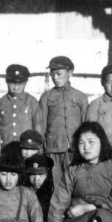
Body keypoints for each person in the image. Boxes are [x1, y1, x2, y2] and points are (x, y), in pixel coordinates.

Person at [38, 55, 88, 187]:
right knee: (55, 184)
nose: (55, 78)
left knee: (74, 183)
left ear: (70, 73)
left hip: (74, 150)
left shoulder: (80, 97)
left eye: (59, 74)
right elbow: (41, 125)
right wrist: (41, 151)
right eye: (52, 74)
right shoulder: (46, 97)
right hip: (52, 149)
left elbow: (85, 126)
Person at [0, 64, 43, 148]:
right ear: (6, 81)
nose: (16, 87)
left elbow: (37, 125)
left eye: (20, 84)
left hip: (26, 149)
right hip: (5, 148)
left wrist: (38, 149)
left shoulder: (31, 102)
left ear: (26, 82)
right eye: (12, 83)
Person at [22, 154, 55, 222]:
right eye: (33, 174)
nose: (36, 178)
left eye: (40, 174)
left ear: (47, 174)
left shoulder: (54, 194)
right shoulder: (22, 193)